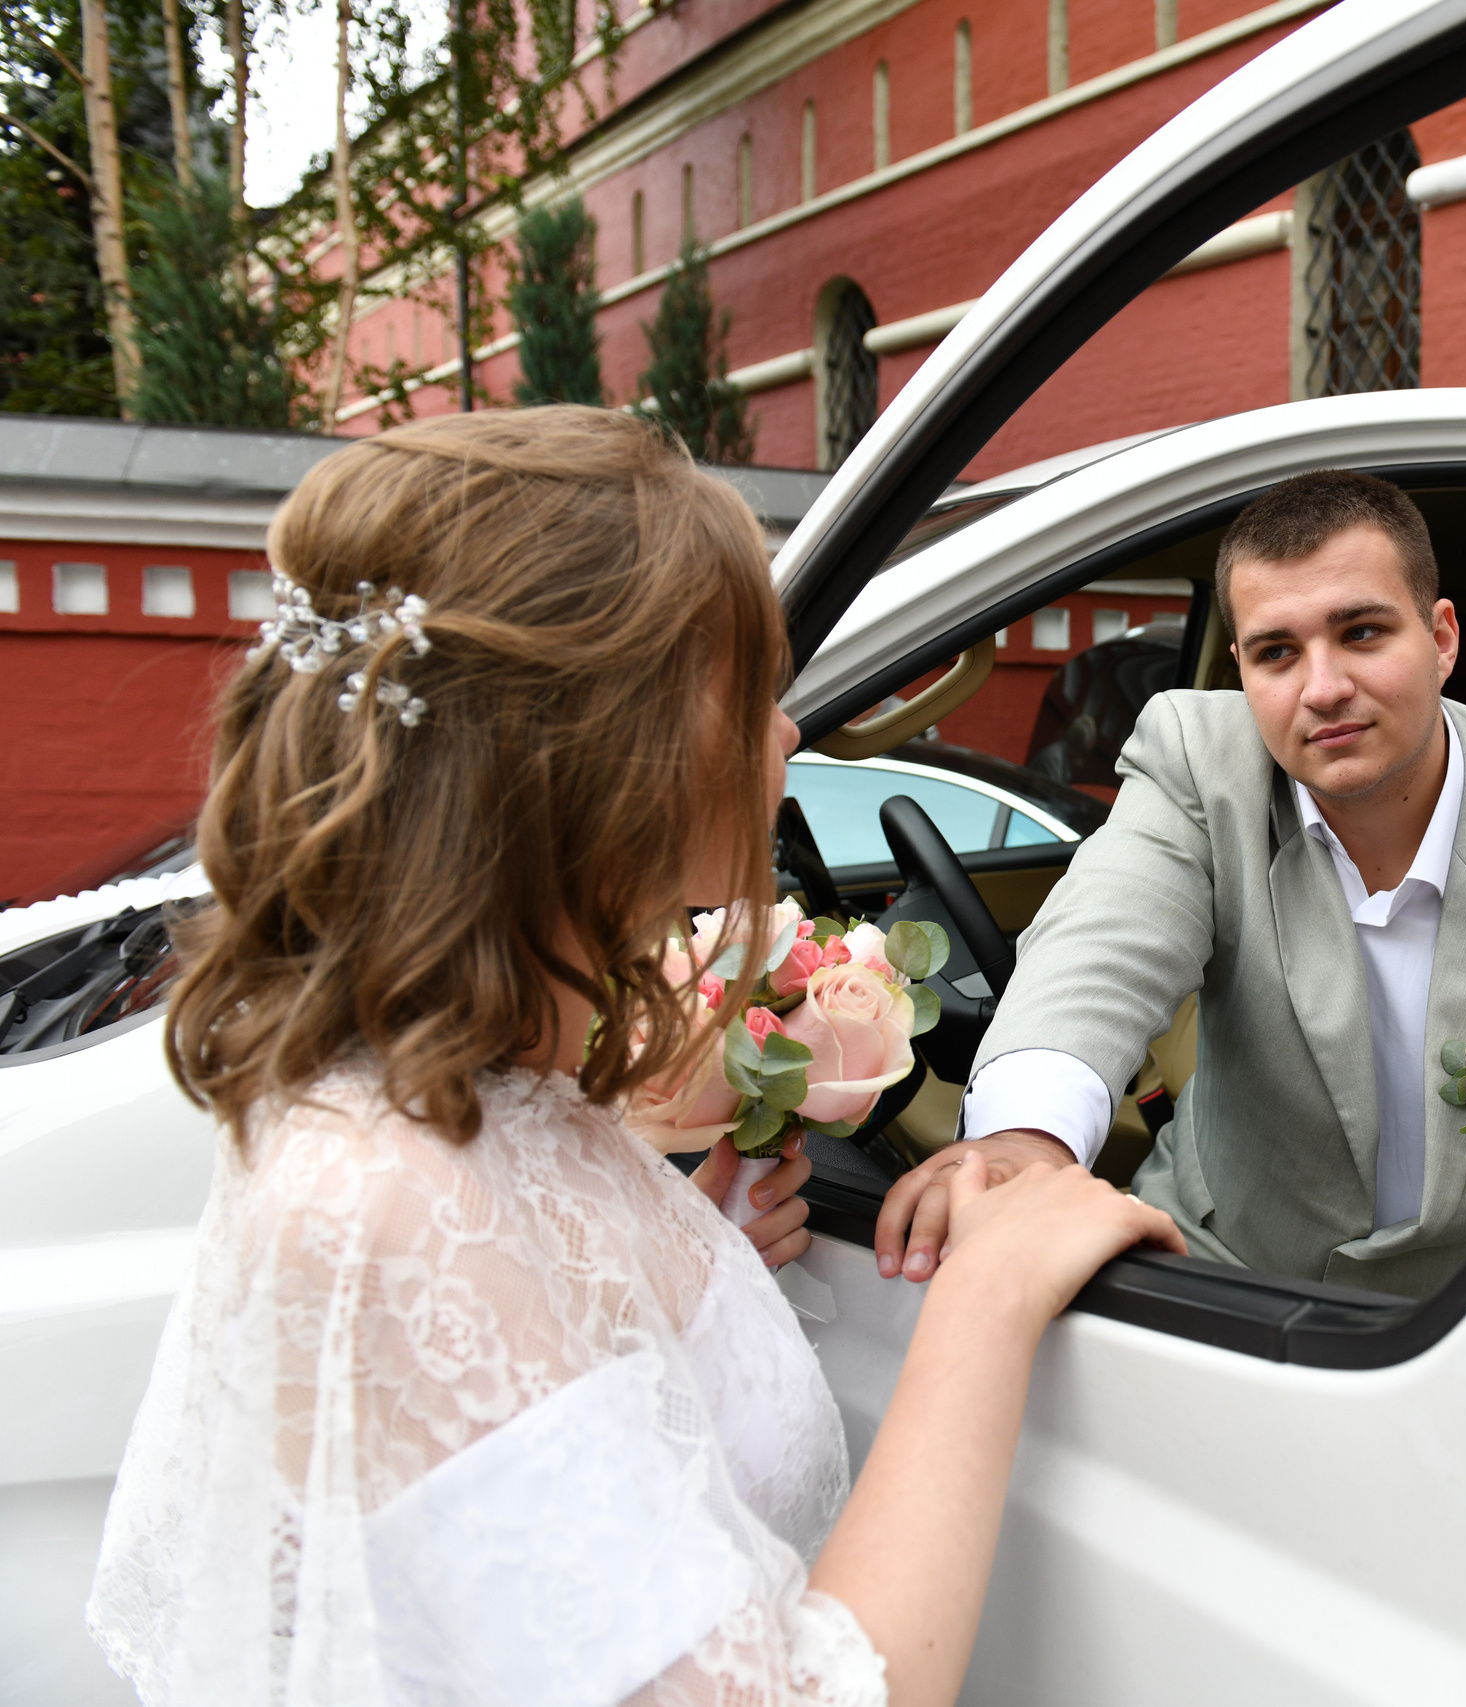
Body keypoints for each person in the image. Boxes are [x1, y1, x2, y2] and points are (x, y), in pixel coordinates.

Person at [87, 408, 1182, 1707]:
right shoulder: (392, 1191)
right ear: (594, 750)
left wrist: (689, 1271)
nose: (787, 734)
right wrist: (988, 1298)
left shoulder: (499, 1090)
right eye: (747, 690)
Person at [875, 470, 1466, 1298]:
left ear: (1441, 639)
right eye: (1277, 652)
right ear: (1241, 668)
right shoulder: (1200, 761)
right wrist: (1023, 1141)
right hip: (1220, 1264)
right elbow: (1101, 943)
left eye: (1361, 632)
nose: (1323, 689)